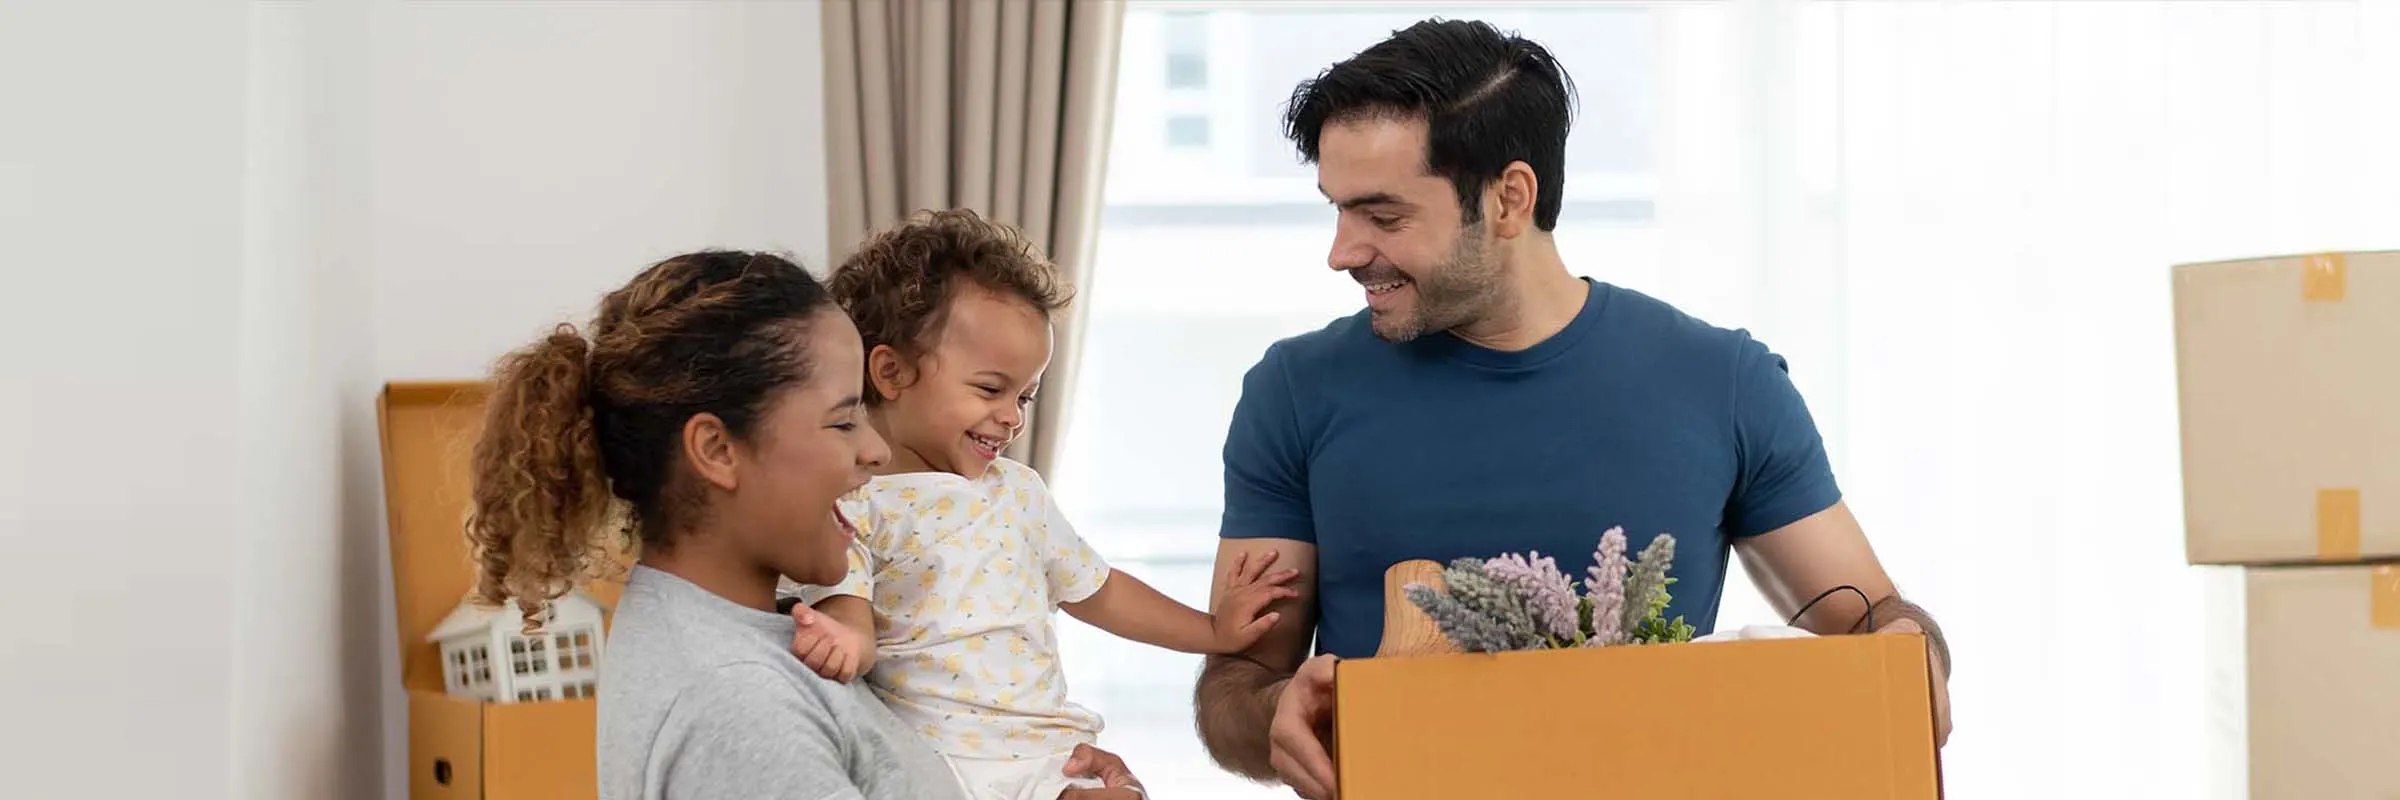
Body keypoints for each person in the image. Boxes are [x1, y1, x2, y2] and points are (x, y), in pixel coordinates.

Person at [1189, 19, 1954, 799]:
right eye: (1337, 209)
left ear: (1509, 198)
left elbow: (1874, 618)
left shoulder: (1725, 382)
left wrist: (1912, 649)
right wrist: (1282, 710)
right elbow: (1235, 685)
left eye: (1383, 217)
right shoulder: (1292, 391)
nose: (1342, 251)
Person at [462, 250, 1144, 800]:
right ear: (717, 451)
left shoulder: (780, 626)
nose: (876, 451)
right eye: (845, 420)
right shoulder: (739, 706)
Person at [777, 210, 1298, 800]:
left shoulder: (1017, 491)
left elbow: (1100, 590)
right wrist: (845, 640)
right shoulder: (858, 501)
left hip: (1047, 753)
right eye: (990, 389)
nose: (1013, 416)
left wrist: (1213, 632)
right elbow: (848, 602)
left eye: (1026, 394)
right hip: (935, 755)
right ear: (892, 371)